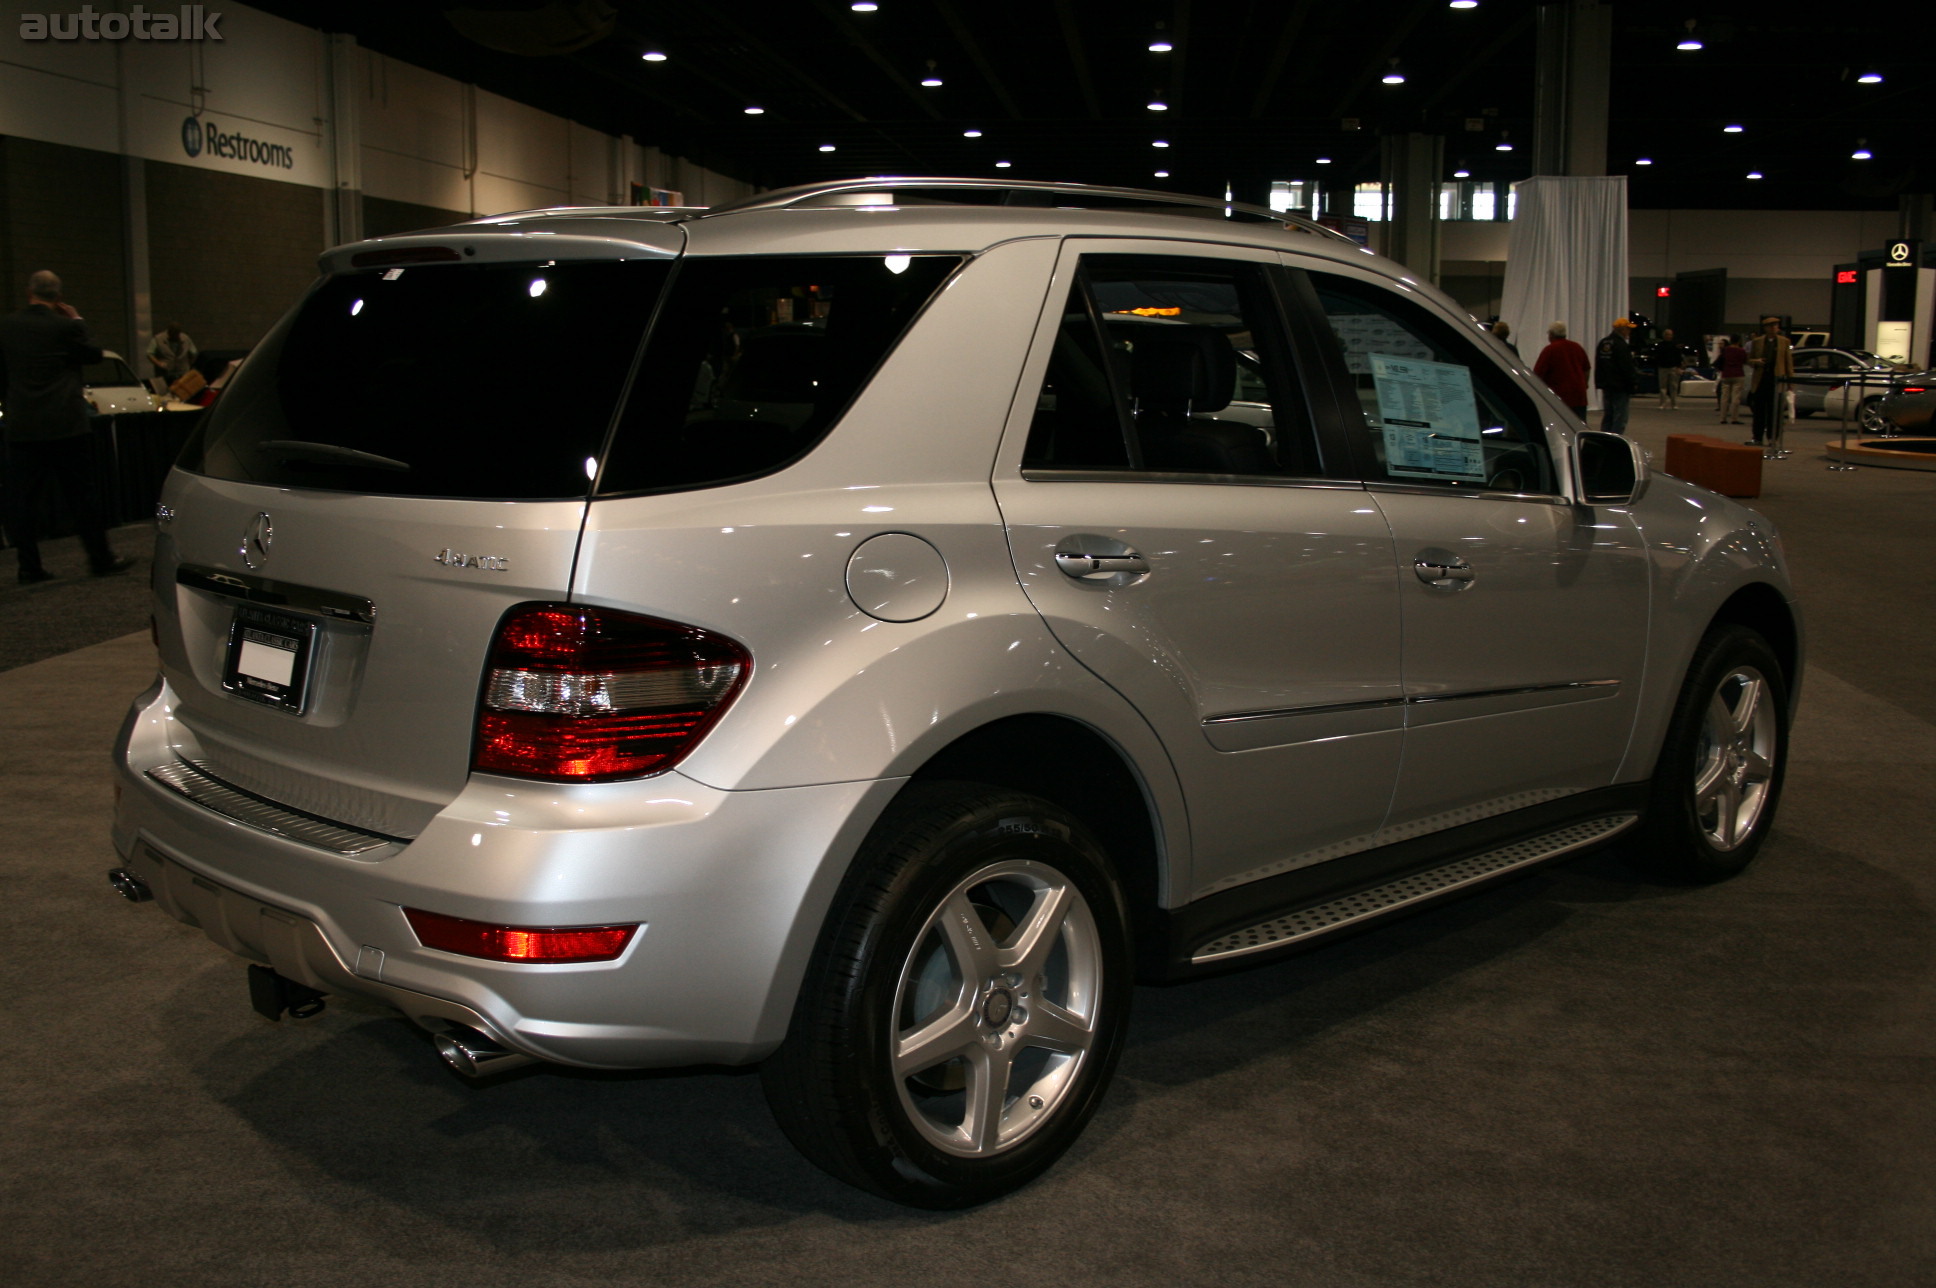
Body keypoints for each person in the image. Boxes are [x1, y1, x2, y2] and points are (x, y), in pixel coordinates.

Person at [0, 271, 134, 582]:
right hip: (66, 425)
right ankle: (100, 558)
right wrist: (77, 320)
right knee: (82, 496)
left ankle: (28, 566)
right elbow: (93, 354)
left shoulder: (6, 326)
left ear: (28, 292)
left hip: (23, 425)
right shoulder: (64, 327)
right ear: (58, 298)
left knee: (24, 501)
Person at [1745, 315, 1793, 446]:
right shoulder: (1757, 342)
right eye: (1771, 326)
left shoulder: (1784, 342)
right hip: (1761, 380)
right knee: (1759, 411)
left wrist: (1790, 382)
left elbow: (1788, 363)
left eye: (1776, 326)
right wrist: (1757, 362)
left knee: (1775, 411)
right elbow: (1749, 360)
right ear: (1765, 328)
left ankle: (1773, 438)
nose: (1774, 328)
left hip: (1776, 380)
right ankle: (1757, 437)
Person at [1532, 320, 1590, 421]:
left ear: (1551, 335)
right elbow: (1587, 368)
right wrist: (1584, 384)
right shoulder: (1577, 347)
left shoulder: (1549, 350)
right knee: (1579, 426)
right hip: (1579, 396)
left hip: (1560, 397)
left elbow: (1538, 374)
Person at [1594, 316, 1640, 435]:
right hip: (1620, 386)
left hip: (1606, 385)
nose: (1629, 332)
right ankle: (1615, 440)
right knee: (1620, 416)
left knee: (1608, 415)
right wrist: (1633, 382)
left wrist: (1599, 382)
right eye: (1628, 329)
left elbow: (1599, 364)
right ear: (1622, 330)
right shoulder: (1621, 345)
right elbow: (1626, 366)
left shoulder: (1603, 343)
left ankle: (1604, 438)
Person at [146, 322, 198, 387]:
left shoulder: (186, 339)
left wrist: (189, 364)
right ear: (169, 332)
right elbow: (149, 354)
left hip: (182, 374)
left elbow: (194, 352)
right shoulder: (158, 339)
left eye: (177, 334)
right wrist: (159, 363)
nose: (175, 336)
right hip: (165, 374)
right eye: (173, 334)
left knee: (183, 392)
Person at [1715, 335, 1748, 424]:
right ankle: (1734, 418)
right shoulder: (1741, 351)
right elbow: (1745, 361)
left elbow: (1721, 360)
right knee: (1735, 398)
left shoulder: (1725, 350)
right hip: (1738, 374)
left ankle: (1723, 418)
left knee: (1724, 397)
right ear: (1738, 341)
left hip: (1726, 374)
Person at [1651, 327, 1685, 409]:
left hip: (1673, 368)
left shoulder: (1675, 345)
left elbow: (1678, 357)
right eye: (1667, 334)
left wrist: (1679, 367)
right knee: (1663, 387)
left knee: (1674, 386)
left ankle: (1674, 403)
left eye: (1670, 335)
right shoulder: (1660, 346)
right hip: (1662, 368)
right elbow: (1657, 357)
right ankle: (1663, 403)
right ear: (1664, 335)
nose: (1668, 336)